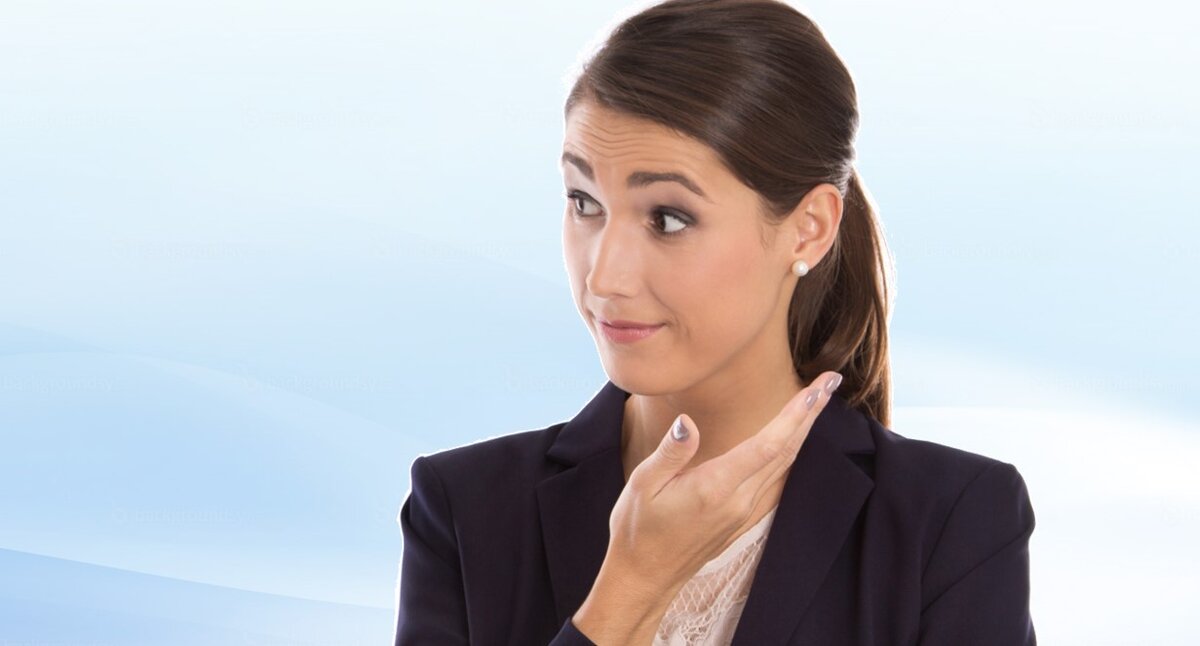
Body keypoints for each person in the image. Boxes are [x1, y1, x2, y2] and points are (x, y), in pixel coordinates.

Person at [393, 0, 1036, 644]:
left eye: (668, 218)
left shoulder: (955, 522)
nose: (604, 277)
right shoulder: (463, 510)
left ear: (808, 229)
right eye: (584, 203)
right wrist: (628, 590)